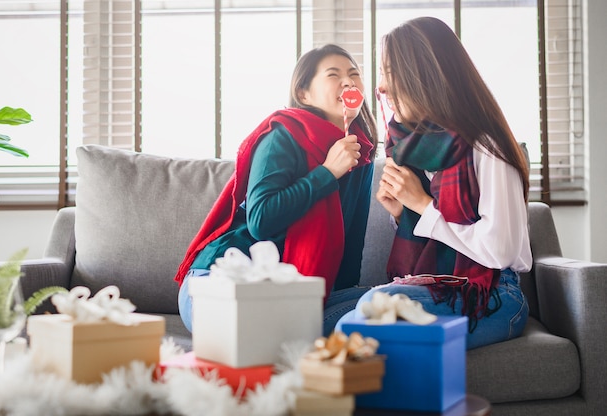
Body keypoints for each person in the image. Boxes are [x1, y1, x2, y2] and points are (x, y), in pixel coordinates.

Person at [336, 16, 532, 350]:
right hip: (437, 286)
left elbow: (501, 252)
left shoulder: (486, 146)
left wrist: (422, 206)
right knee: (324, 310)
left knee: (370, 311)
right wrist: (402, 213)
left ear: (423, 75)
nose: (380, 88)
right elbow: (432, 230)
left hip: (495, 294)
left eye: (388, 72)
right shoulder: (412, 149)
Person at [174, 44, 379, 337]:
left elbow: (350, 248)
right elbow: (260, 220)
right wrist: (326, 173)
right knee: (259, 332)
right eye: (334, 75)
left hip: (286, 293)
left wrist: (337, 305)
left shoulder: (359, 155)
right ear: (303, 94)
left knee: (387, 301)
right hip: (221, 281)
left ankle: (292, 333)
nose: (348, 81)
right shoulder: (282, 135)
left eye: (354, 74)